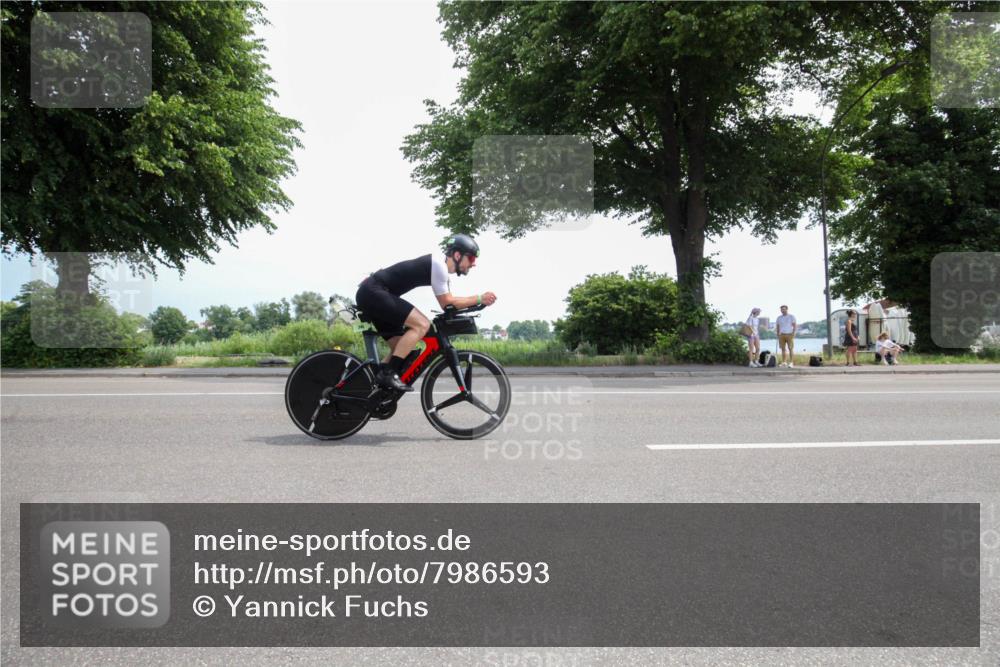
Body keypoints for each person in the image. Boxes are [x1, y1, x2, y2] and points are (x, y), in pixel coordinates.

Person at [355, 234, 496, 391]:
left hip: (374, 293)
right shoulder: (439, 266)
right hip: (374, 292)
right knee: (422, 325)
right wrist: (479, 298)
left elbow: (449, 303)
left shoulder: (440, 269)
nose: (473, 264)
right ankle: (388, 374)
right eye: (471, 259)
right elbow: (447, 302)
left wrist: (476, 303)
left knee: (402, 349)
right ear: (457, 255)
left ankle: (372, 388)